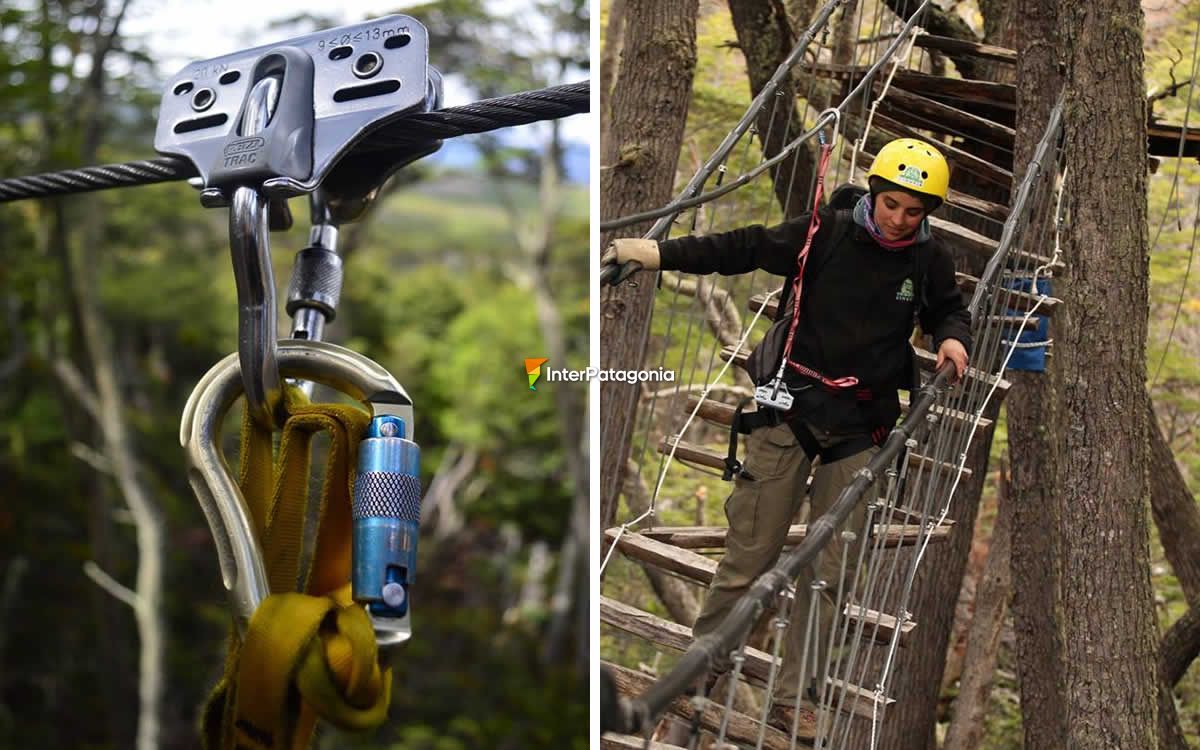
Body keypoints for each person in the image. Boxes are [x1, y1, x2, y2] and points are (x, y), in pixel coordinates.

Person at [602, 138, 971, 734]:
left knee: (834, 567)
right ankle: (703, 665)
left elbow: (947, 310)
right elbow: (743, 246)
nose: (900, 220)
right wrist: (655, 253)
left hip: (863, 423)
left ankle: (797, 694)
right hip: (790, 411)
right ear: (875, 193)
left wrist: (954, 336)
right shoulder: (823, 233)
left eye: (914, 212)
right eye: (893, 205)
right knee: (750, 555)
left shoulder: (929, 260)